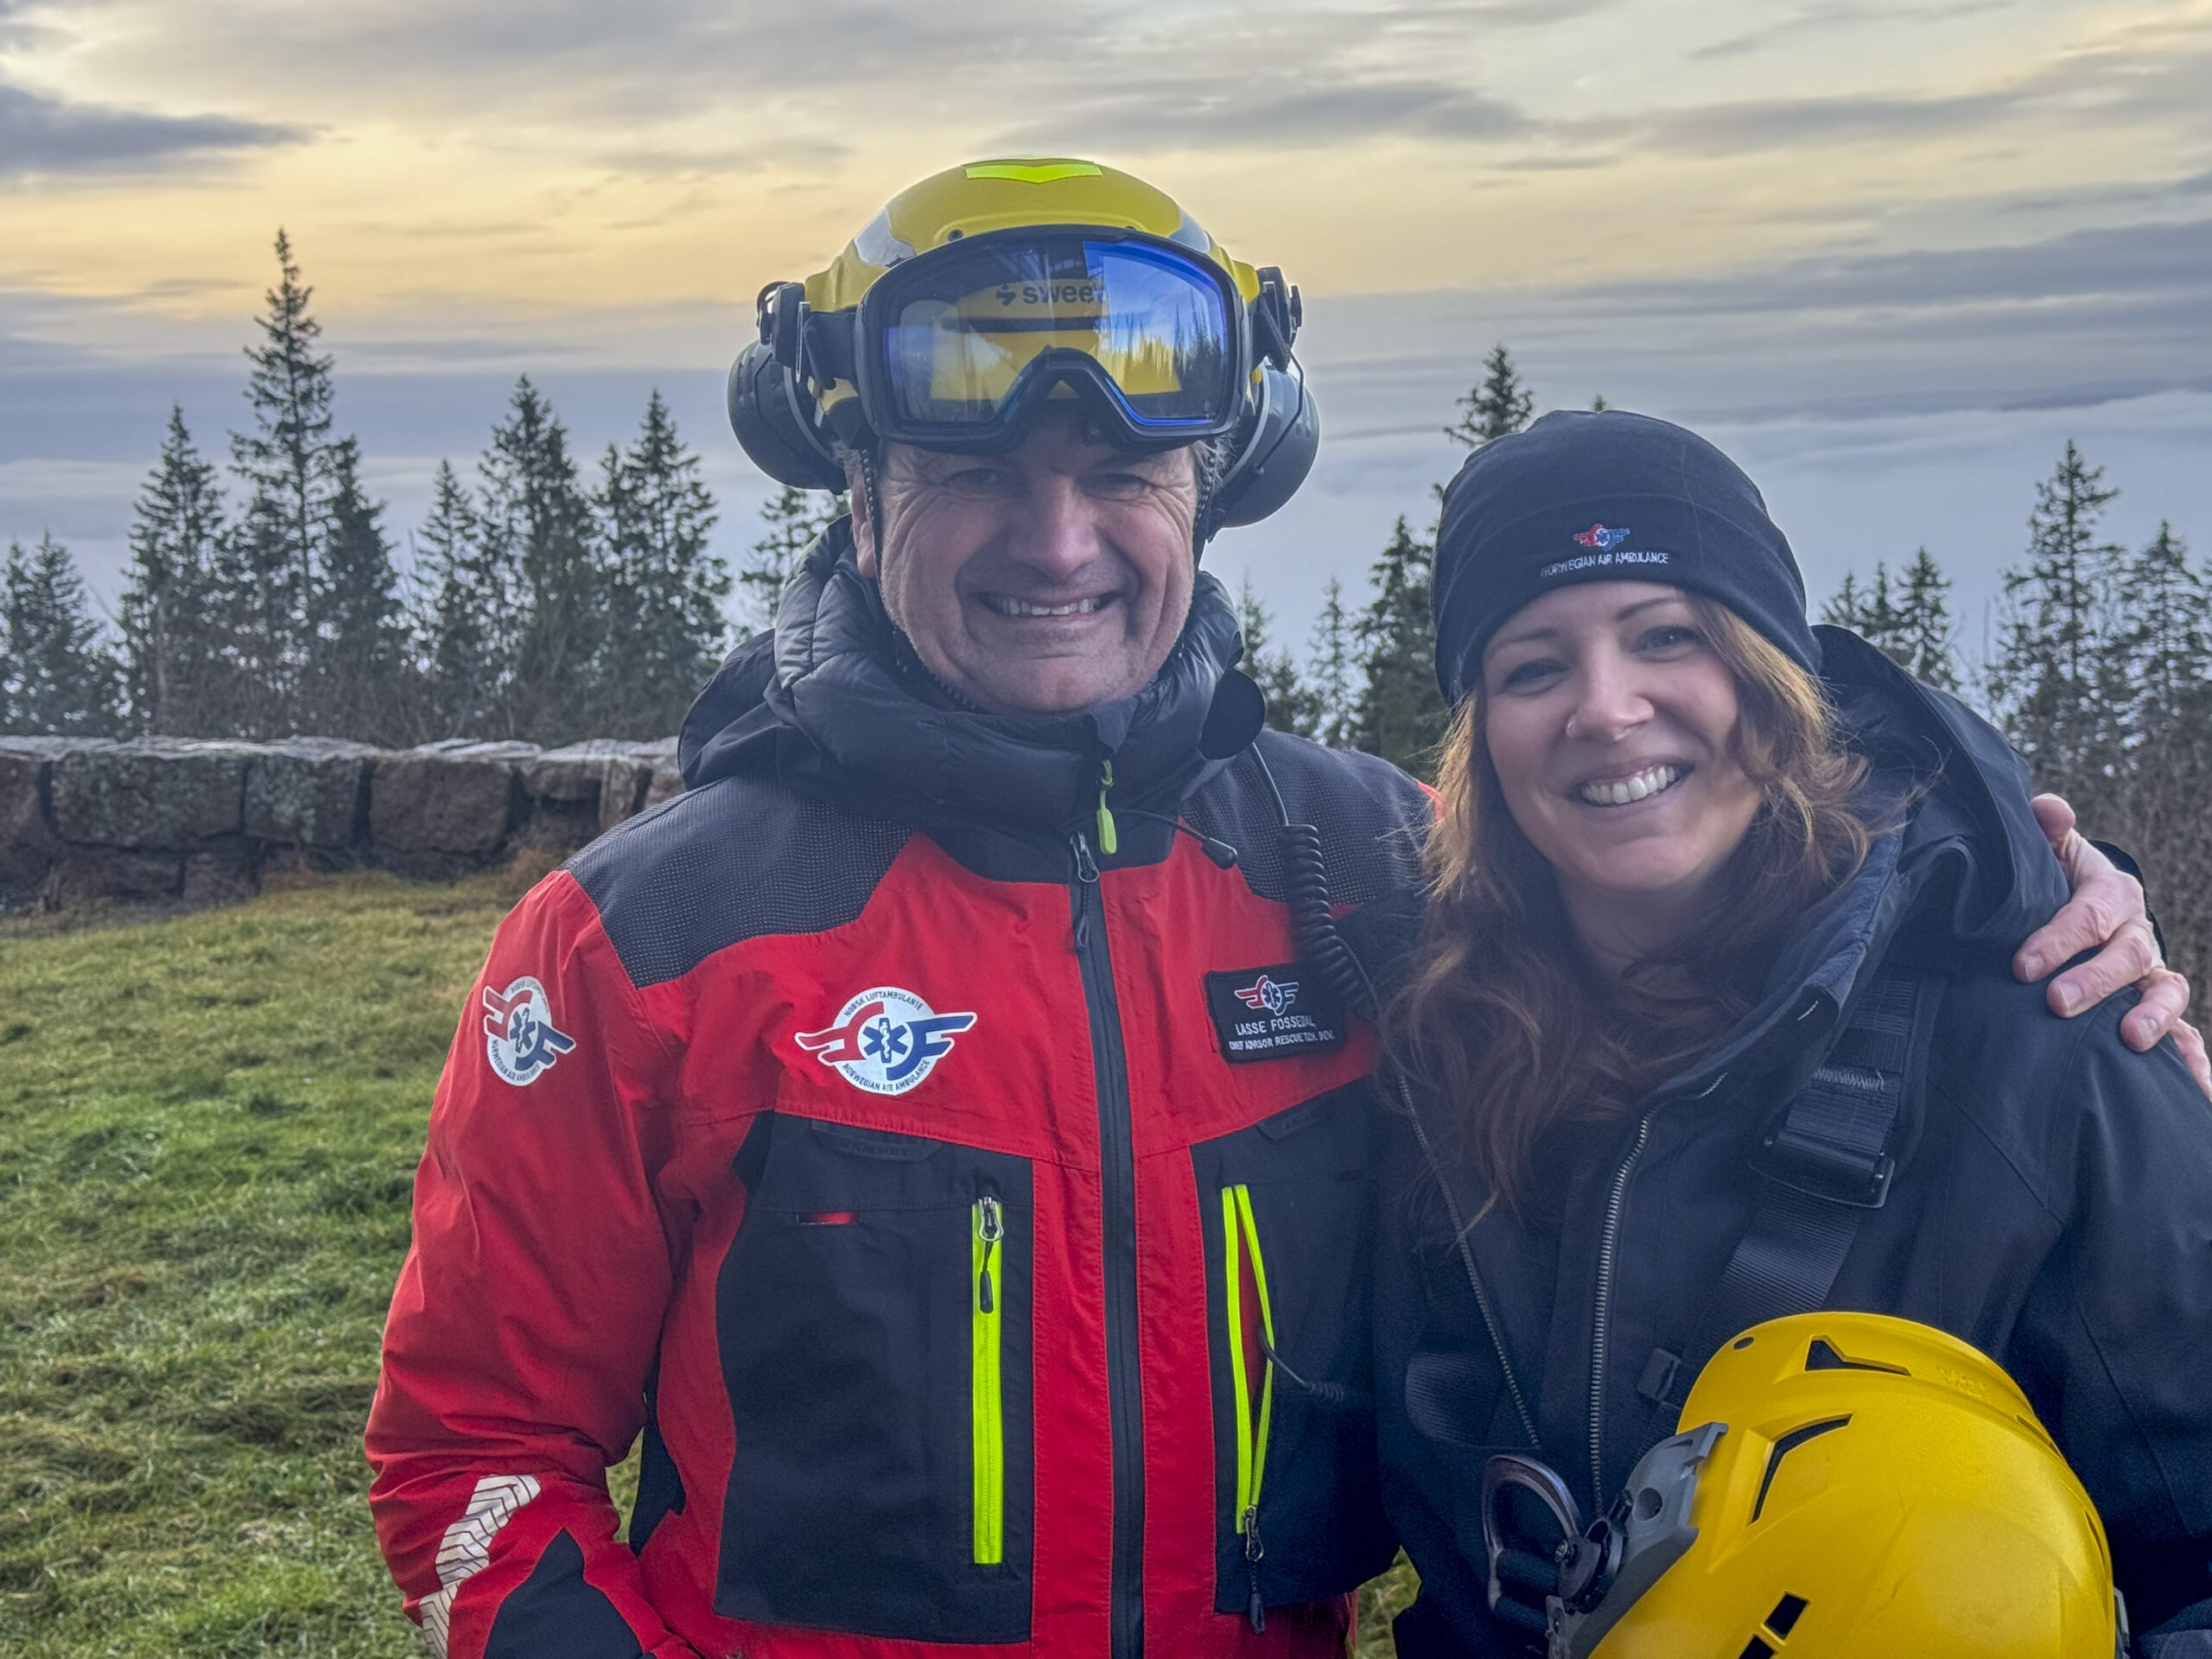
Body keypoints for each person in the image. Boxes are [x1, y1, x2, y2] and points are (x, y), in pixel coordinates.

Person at [365, 162, 2185, 1659]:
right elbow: (474, 1456)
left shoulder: (1373, 865)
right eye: (979, 472)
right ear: (856, 493)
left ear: (1210, 496)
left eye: (1121, 477)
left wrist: (2016, 902)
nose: (1058, 539)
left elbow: (1720, 982)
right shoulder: (644, 942)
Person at [1361, 410, 2212, 1656]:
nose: (1606, 708)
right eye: (1533, 666)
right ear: (1482, 734)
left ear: (1769, 674)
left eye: (1667, 638)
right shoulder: (1436, 1048)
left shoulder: (2047, 1036)